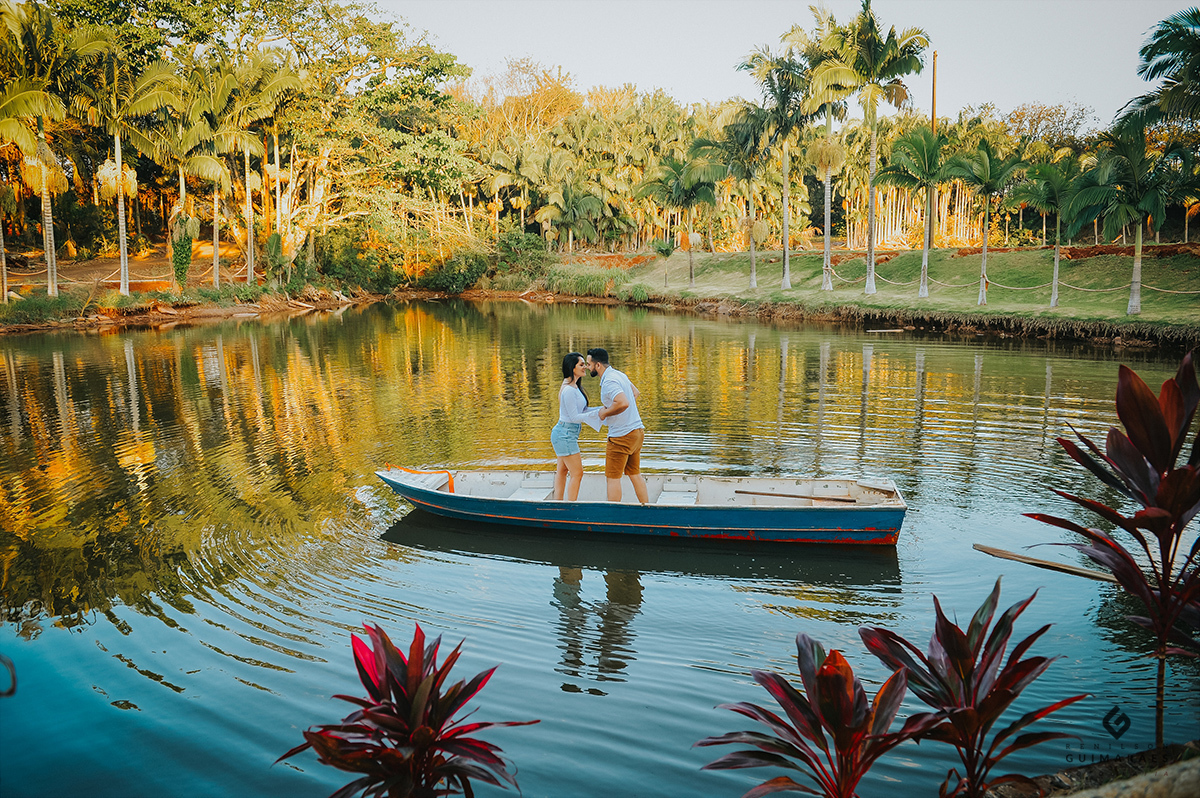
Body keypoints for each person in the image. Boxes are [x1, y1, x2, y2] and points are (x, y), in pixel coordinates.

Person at [587, 347, 649, 504]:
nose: (588, 367)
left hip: (621, 436)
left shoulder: (608, 381)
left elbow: (623, 402)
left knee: (612, 478)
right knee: (635, 473)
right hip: (637, 431)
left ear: (598, 365)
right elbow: (635, 393)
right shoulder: (619, 375)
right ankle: (648, 508)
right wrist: (624, 414)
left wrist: (605, 413)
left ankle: (613, 516)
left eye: (589, 364)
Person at [552, 352, 600, 501]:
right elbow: (574, 417)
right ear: (572, 368)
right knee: (577, 473)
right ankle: (570, 507)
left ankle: (558, 504)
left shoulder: (574, 387)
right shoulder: (568, 390)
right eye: (581, 364)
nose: (585, 367)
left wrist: (602, 410)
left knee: (562, 471)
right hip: (565, 434)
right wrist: (598, 414)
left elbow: (583, 411)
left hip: (566, 434)